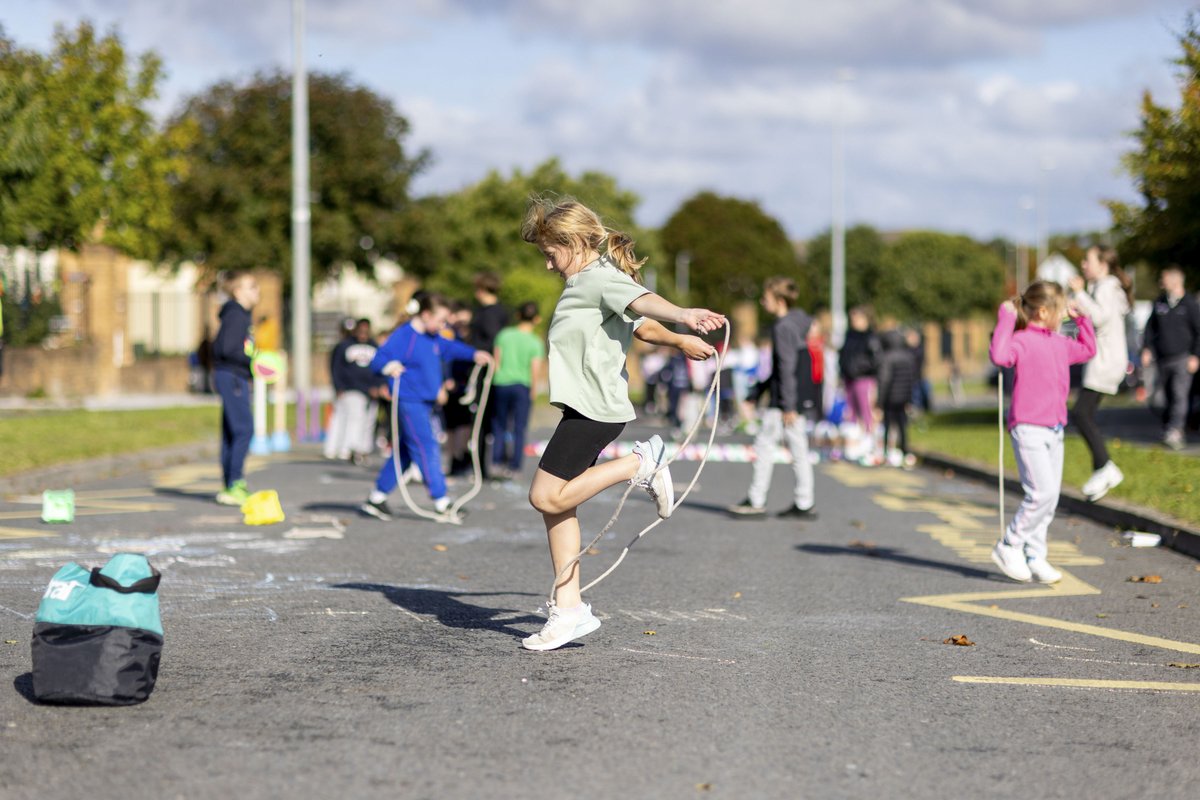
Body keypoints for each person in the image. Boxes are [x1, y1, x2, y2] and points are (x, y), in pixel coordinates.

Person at [519, 196, 724, 652]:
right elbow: (640, 325)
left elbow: (643, 300)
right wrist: (680, 340)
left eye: (551, 253)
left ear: (572, 242)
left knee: (543, 496)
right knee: (558, 508)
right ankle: (569, 610)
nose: (549, 264)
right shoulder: (586, 284)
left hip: (595, 410)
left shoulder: (598, 278)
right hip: (584, 408)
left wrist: (685, 313)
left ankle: (640, 463)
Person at [988, 281, 1095, 584]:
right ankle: (1009, 544)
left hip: (1054, 429)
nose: (1063, 316)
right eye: (1061, 311)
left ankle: (1036, 555)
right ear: (1044, 311)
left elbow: (1088, 349)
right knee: (1040, 494)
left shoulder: (1059, 342)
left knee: (1050, 498)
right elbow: (999, 355)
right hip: (1028, 428)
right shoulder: (1022, 341)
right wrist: (1006, 318)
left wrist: (1081, 319)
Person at [360, 293, 492, 521]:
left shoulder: (433, 337)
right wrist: (388, 366)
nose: (443, 325)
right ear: (426, 314)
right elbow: (378, 360)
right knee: (426, 446)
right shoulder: (405, 336)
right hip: (410, 401)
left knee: (405, 453)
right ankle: (442, 502)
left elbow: (450, 348)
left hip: (425, 402)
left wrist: (474, 354)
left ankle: (376, 498)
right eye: (440, 320)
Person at [727, 277, 818, 519]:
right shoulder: (798, 322)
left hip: (784, 402)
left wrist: (787, 405)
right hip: (792, 397)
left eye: (765, 298)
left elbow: (786, 368)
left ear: (779, 301)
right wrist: (758, 392)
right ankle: (804, 501)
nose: (761, 302)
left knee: (766, 447)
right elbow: (781, 369)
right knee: (798, 450)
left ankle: (757, 500)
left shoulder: (782, 327)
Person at [1067, 246, 1132, 498]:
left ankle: (1105, 466)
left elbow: (1101, 317)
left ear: (1103, 264)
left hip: (1106, 361)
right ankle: (1101, 471)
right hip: (1102, 360)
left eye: (1088, 260)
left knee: (1081, 413)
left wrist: (1079, 294)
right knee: (1085, 414)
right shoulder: (1102, 287)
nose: (1083, 264)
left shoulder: (1107, 287)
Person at [211, 271, 260, 506]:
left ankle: (230, 484)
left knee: (232, 431)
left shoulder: (240, 315)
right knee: (243, 429)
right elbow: (228, 349)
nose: (257, 291)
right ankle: (234, 484)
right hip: (232, 376)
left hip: (233, 375)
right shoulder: (236, 315)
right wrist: (254, 363)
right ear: (238, 291)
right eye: (252, 286)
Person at [1141, 266, 1200, 450]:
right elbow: (1150, 328)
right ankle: (1168, 427)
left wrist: (1195, 355)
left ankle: (1176, 430)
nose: (1161, 282)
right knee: (1165, 395)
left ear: (1175, 281)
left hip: (1183, 358)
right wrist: (1147, 348)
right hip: (1163, 358)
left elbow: (1199, 332)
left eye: (1164, 278)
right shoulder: (1160, 303)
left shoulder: (1189, 304)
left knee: (1179, 394)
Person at [490, 301, 546, 478]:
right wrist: (534, 389)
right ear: (537, 319)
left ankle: (496, 462)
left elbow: (496, 361)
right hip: (522, 386)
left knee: (499, 425)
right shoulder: (535, 342)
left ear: (518, 315)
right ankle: (515, 466)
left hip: (501, 384)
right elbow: (535, 368)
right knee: (519, 427)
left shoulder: (504, 335)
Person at [325, 318, 383, 464]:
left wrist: (378, 385)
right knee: (354, 418)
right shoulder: (344, 346)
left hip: (370, 391)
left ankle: (363, 449)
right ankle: (349, 448)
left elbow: (380, 369)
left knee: (368, 421)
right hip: (351, 389)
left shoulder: (374, 346)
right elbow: (336, 368)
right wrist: (339, 387)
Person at [838, 306, 881, 462]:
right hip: (849, 379)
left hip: (864, 378)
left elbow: (876, 360)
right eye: (853, 318)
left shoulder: (871, 337)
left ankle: (870, 444)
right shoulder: (849, 335)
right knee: (852, 413)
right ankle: (854, 446)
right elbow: (843, 355)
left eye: (858, 318)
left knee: (866, 411)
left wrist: (862, 368)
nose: (854, 321)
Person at [877, 329, 917, 469]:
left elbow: (884, 380)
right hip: (904, 397)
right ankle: (905, 450)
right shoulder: (908, 356)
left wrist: (879, 401)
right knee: (902, 425)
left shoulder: (887, 358)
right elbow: (912, 379)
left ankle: (887, 451)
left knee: (887, 425)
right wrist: (910, 398)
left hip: (890, 398)